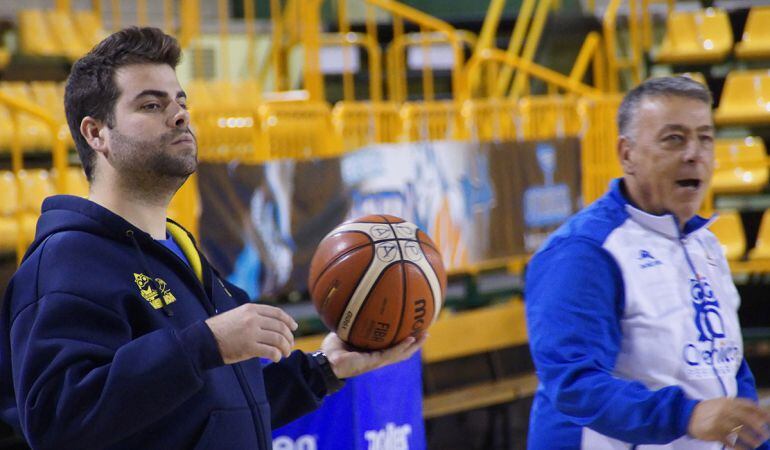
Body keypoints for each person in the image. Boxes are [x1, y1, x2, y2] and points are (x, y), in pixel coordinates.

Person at [0, 27, 425, 450]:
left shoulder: (181, 252)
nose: (180, 115)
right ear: (97, 134)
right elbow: (56, 419)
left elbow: (212, 412)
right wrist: (205, 344)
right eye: (151, 105)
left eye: (181, 101)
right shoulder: (67, 260)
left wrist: (324, 370)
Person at [525, 76, 770, 449]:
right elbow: (574, 385)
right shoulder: (584, 251)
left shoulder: (706, 244)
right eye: (674, 138)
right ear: (627, 154)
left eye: (705, 137)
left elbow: (729, 367)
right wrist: (686, 415)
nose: (694, 153)